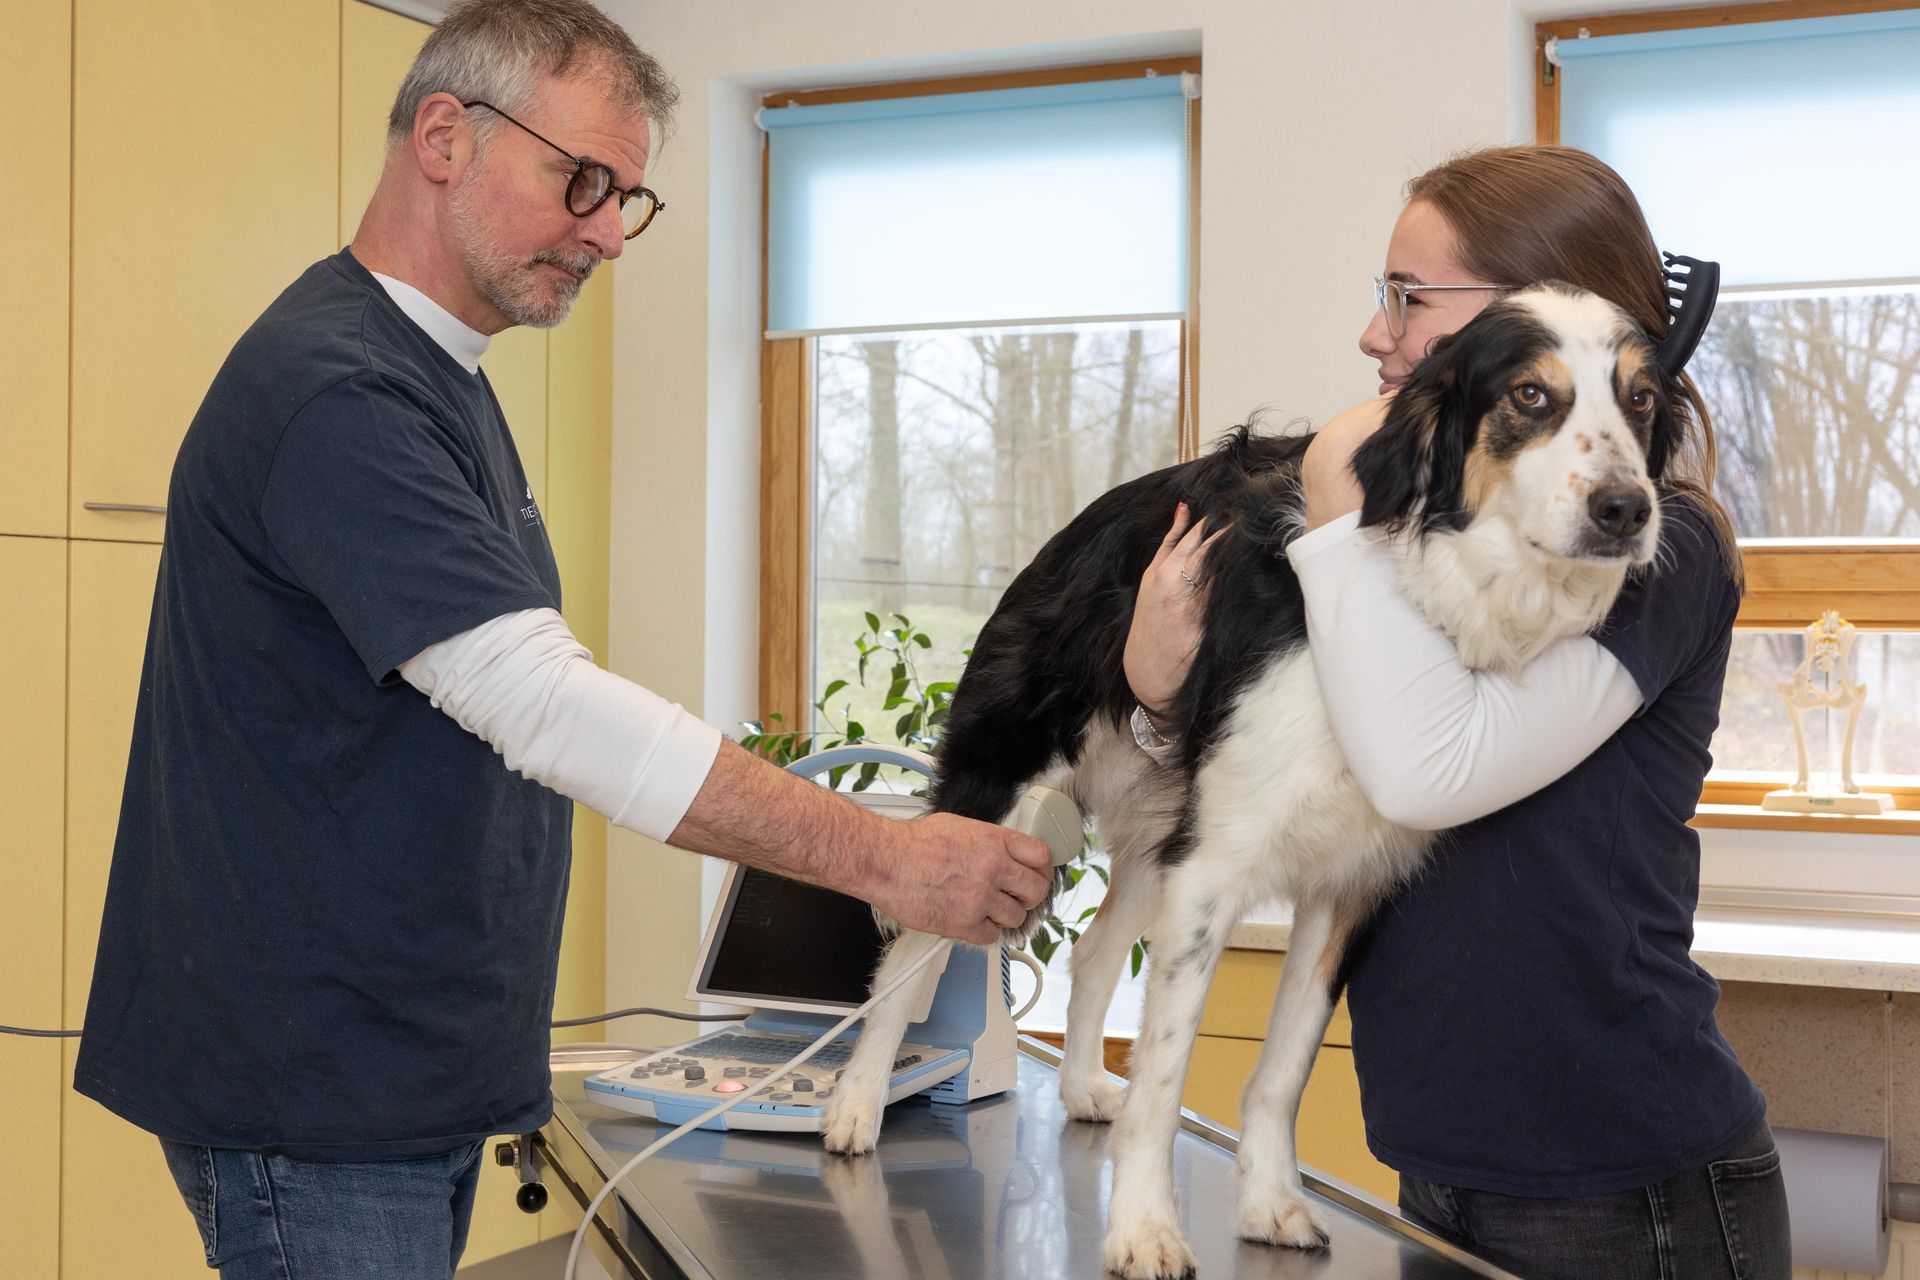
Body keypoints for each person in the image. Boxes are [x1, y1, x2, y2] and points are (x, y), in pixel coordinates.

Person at [72, 3, 1051, 1276]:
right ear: (443, 137)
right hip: (315, 1091)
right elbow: (541, 704)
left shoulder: (447, 378)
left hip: (399, 1074)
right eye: (581, 179)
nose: (606, 232)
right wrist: (890, 859)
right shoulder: (338, 389)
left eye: (626, 199)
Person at [1122, 145, 1790, 1280]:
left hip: (1629, 1187)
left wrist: (1337, 500)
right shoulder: (1432, 548)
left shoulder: (1657, 557)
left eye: (1407, 297)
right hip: (1436, 1156)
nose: (1376, 336)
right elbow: (1305, 778)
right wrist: (1153, 698)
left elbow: (1424, 770)